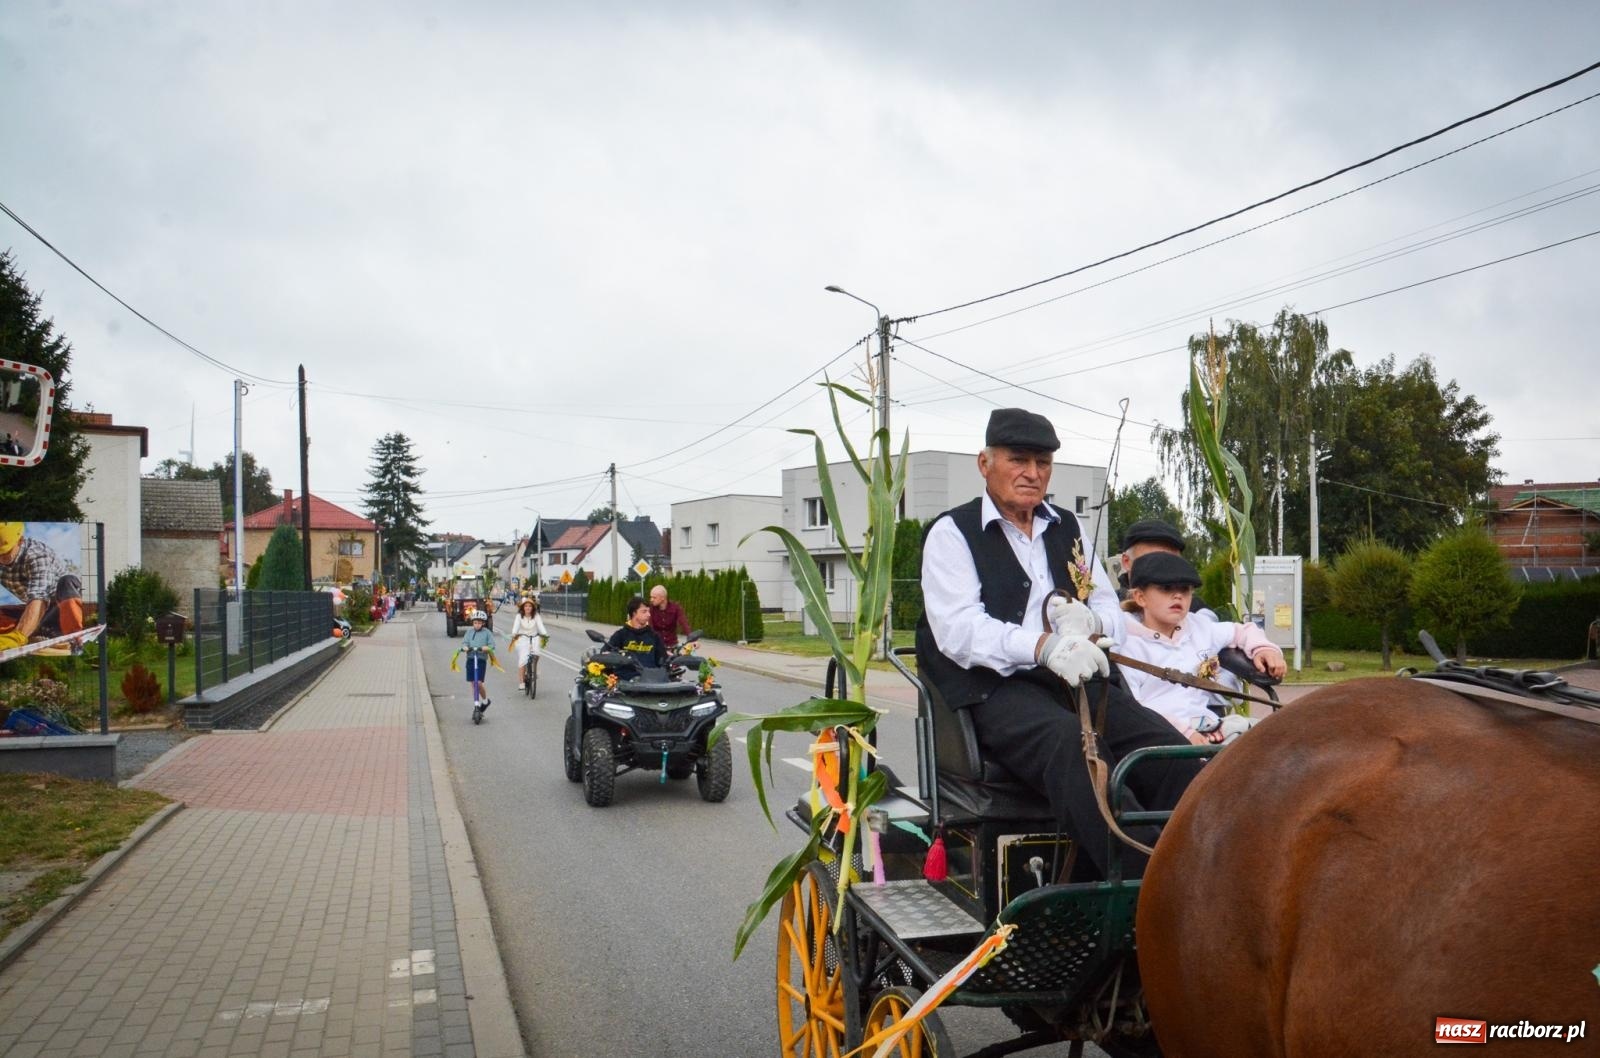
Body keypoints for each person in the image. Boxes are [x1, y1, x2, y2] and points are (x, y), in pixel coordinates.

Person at [917, 408, 1203, 880]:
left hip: (1079, 677)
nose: (1033, 474)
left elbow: (1113, 610)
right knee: (1073, 748)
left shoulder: (1068, 528)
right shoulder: (952, 533)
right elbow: (959, 631)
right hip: (996, 689)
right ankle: (1149, 881)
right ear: (984, 463)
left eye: (1043, 462)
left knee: (1168, 751)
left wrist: (1088, 619)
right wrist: (1043, 646)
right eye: (1019, 460)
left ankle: (1200, 861)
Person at [1117, 552, 1285, 744]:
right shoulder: (1125, 642)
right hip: (1157, 736)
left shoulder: (1199, 627)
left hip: (1208, 727)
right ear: (1140, 597)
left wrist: (1264, 650)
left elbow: (1242, 631)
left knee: (1277, 741)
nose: (1178, 595)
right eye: (1166, 588)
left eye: (1185, 589)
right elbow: (1134, 707)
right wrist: (1185, 733)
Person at [0, 523, 85, 650]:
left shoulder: (37, 555)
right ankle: (38, 633)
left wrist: (18, 637)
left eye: (6, 553)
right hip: (36, 614)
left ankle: (73, 637)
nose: (1, 559)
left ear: (20, 541)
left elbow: (39, 598)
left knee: (67, 581)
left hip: (58, 607)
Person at [608, 595, 667, 669]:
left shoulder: (654, 636)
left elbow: (664, 661)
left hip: (650, 678)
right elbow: (606, 654)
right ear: (634, 613)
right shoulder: (620, 635)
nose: (649, 615)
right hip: (625, 678)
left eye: (649, 611)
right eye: (644, 611)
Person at [455, 612, 496, 716]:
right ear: (473, 623)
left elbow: (492, 645)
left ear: (483, 623)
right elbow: (464, 643)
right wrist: (464, 647)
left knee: (478, 683)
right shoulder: (469, 632)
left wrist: (487, 648)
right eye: (475, 622)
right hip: (471, 659)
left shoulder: (487, 632)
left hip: (481, 659)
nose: (477, 625)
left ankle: (485, 700)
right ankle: (476, 705)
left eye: (479, 623)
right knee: (473, 683)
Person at [506, 597, 549, 689]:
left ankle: (534, 669)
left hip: (534, 638)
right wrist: (514, 634)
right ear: (523, 608)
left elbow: (541, 626)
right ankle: (521, 682)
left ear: (533, 608)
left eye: (530, 606)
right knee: (523, 658)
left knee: (537, 653)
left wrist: (545, 634)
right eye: (526, 606)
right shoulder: (519, 616)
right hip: (522, 638)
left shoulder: (536, 616)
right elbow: (515, 626)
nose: (528, 608)